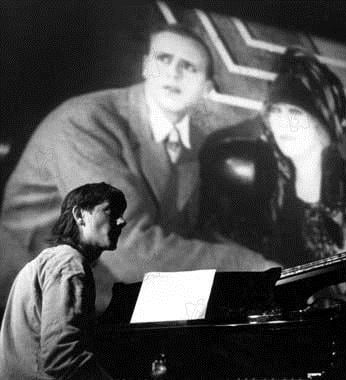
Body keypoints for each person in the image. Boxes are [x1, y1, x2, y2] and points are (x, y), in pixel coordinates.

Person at [0, 23, 276, 314]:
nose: (173, 73)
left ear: (206, 90)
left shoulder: (194, 144)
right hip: (29, 301)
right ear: (145, 67)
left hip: (101, 290)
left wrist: (262, 262)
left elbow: (182, 235)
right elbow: (128, 249)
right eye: (163, 59)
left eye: (189, 67)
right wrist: (254, 268)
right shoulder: (87, 121)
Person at [201, 46, 346, 303]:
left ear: (323, 122)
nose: (283, 124)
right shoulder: (275, 181)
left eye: (295, 113)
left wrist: (321, 303)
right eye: (277, 111)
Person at [0, 182, 126, 379]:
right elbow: (63, 357)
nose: (122, 221)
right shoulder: (69, 263)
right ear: (79, 215)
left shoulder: (54, 260)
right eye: (111, 211)